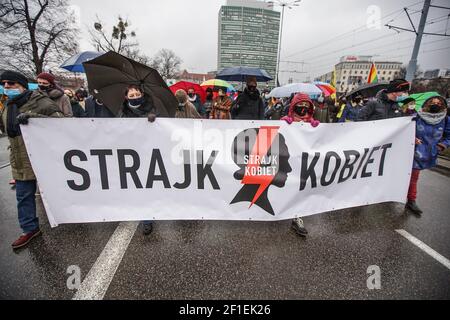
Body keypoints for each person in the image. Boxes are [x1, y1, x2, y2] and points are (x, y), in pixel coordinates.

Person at [0, 70, 62, 249]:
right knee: (23, 195)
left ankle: (68, 216)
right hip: (19, 158)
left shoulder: (39, 101)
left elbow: (61, 123)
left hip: (42, 157)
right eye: (4, 84)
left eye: (11, 84)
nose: (7, 87)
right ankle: (29, 229)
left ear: (22, 85)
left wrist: (34, 119)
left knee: (54, 191)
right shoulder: (7, 105)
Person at [119, 85, 158, 235]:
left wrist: (154, 119)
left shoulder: (152, 108)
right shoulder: (122, 112)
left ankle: (149, 217)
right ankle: (145, 216)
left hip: (150, 154)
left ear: (142, 94)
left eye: (137, 94)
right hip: (131, 155)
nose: (135, 97)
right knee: (138, 188)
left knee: (148, 188)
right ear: (126, 97)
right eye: (132, 95)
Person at [281, 93, 320, 237]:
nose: (303, 109)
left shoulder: (312, 124)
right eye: (300, 105)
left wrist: (316, 129)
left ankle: (297, 217)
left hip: (304, 163)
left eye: (306, 106)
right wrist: (283, 124)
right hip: (288, 161)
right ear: (293, 107)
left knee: (300, 189)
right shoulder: (287, 122)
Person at [406, 93, 450, 215]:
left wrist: (442, 145)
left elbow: (448, 136)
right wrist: (412, 138)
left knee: (413, 177)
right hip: (411, 150)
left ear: (443, 106)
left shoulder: (446, 120)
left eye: (438, 103)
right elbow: (405, 128)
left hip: (427, 154)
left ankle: (410, 200)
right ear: (426, 104)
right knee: (409, 176)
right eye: (432, 103)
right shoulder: (417, 117)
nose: (435, 105)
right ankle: (409, 199)